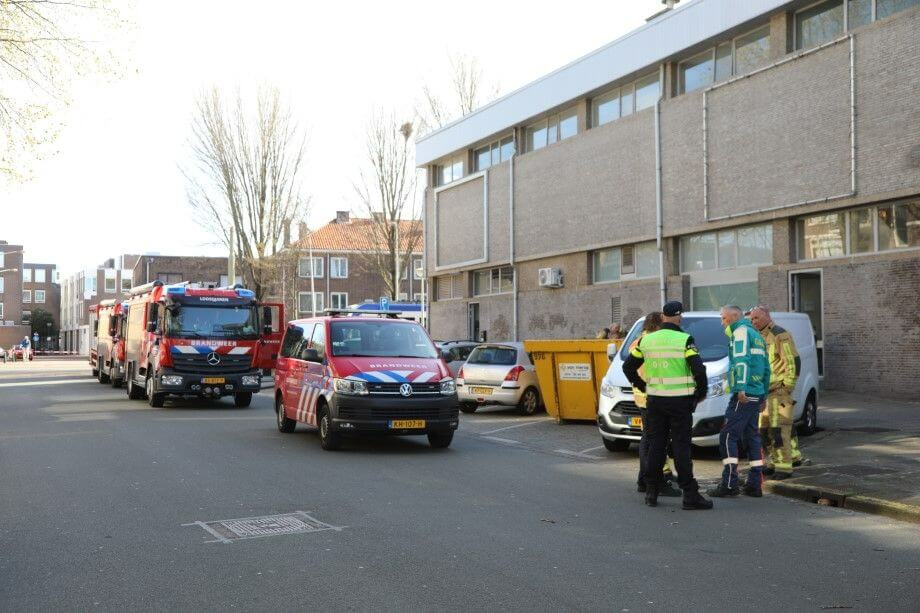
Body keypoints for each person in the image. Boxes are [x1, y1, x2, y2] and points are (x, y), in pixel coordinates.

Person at [623, 301, 712, 510]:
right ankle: (690, 495)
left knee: (656, 446)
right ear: (679, 317)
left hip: (654, 402)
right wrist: (699, 394)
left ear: (663, 317)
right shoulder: (684, 340)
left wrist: (642, 386)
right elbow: (699, 370)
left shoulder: (646, 341)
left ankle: (651, 492)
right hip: (680, 403)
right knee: (681, 448)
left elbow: (629, 367)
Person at [709, 305, 770, 498]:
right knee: (752, 436)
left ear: (734, 316)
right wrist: (763, 395)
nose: (722, 322)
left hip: (744, 394)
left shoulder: (741, 332)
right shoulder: (757, 335)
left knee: (727, 436)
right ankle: (754, 484)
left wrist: (741, 388)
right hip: (757, 392)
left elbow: (742, 361)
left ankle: (729, 484)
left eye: (724, 318)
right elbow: (766, 368)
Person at [749, 305, 804, 479]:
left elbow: (792, 361)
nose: (753, 322)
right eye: (751, 319)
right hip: (765, 393)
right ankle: (773, 463)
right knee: (764, 431)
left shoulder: (780, 334)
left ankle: (783, 468)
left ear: (766, 316)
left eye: (756, 318)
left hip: (778, 392)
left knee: (779, 431)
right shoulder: (759, 336)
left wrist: (786, 387)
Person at [631, 312, 681, 498]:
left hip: (643, 397)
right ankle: (658, 480)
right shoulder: (652, 342)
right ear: (658, 325)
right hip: (654, 397)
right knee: (656, 441)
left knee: (648, 439)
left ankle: (644, 480)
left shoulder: (639, 341)